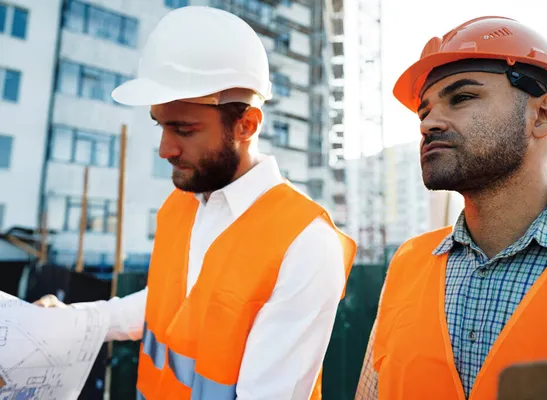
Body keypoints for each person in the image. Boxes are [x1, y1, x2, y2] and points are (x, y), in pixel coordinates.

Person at [36, 6, 356, 400]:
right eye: (160, 125)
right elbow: (167, 304)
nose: (165, 149)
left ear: (246, 125)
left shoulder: (306, 243)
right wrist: (72, 322)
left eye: (183, 130)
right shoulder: (182, 205)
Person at [355, 16, 547, 400]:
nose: (428, 124)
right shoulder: (408, 264)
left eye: (462, 97)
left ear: (544, 115)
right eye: (424, 112)